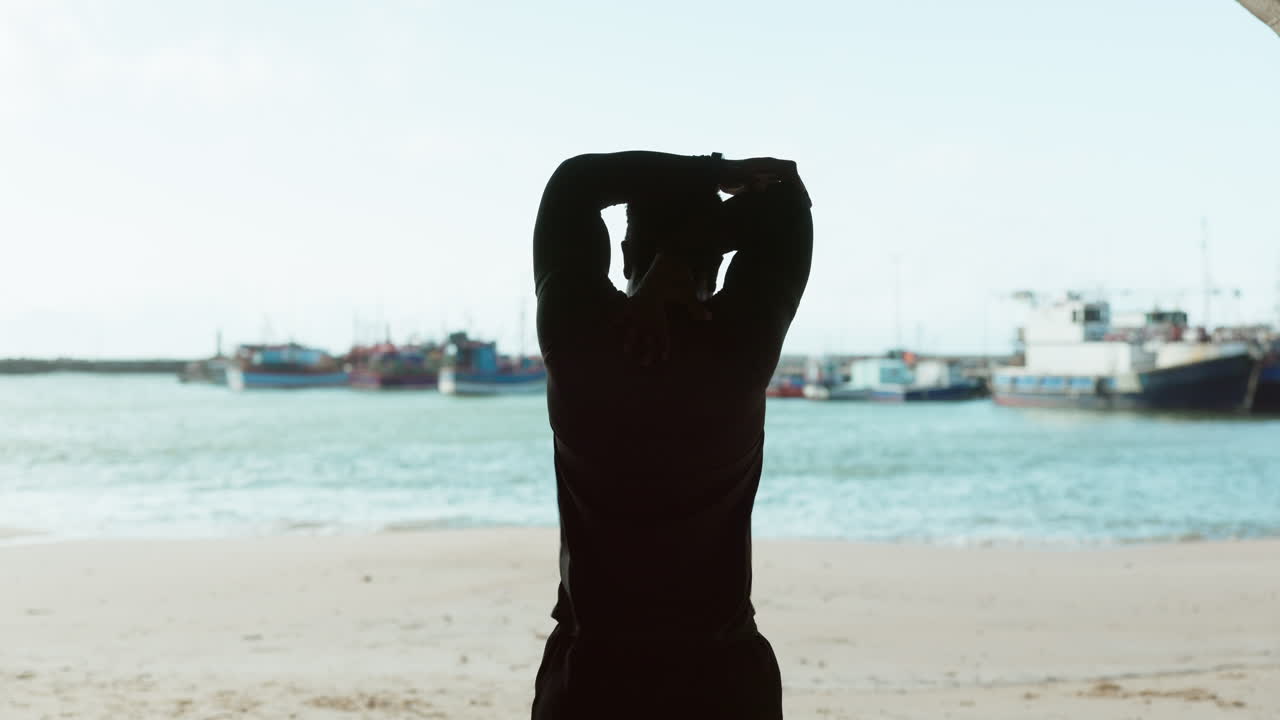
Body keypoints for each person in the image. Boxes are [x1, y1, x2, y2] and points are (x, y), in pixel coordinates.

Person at [530, 151, 813, 719]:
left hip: (592, 681)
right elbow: (786, 197)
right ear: (720, 257)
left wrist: (712, 172)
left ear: (625, 251)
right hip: (723, 678)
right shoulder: (739, 348)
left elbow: (573, 183)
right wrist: (688, 251)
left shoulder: (577, 337)